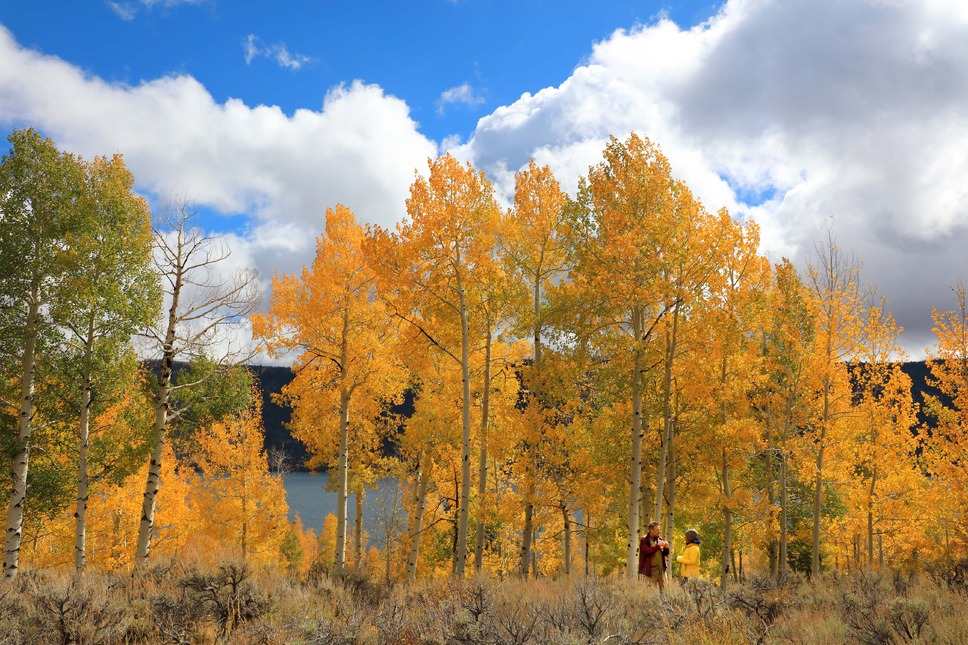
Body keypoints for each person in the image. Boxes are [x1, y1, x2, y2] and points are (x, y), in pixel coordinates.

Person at [638, 521, 670, 592]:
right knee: (650, 593)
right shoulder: (644, 540)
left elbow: (665, 554)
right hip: (651, 572)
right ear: (651, 530)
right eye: (657, 530)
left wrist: (667, 547)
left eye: (659, 530)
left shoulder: (659, 539)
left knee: (665, 592)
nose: (659, 532)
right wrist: (658, 546)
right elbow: (646, 551)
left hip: (661, 571)